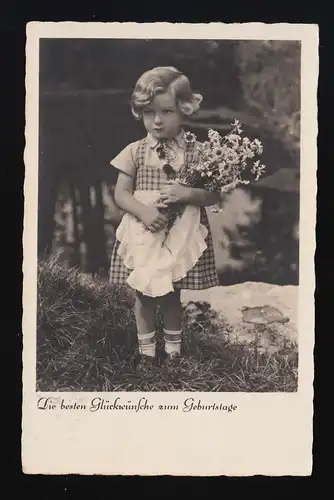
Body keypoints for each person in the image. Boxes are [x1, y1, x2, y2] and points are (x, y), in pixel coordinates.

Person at [109, 66, 219, 368]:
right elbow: (120, 195)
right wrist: (144, 211)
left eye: (167, 111)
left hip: (180, 231)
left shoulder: (198, 153)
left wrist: (187, 194)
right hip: (144, 231)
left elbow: (213, 195)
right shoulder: (135, 151)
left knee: (172, 293)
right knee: (144, 293)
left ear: (184, 109)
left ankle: (173, 353)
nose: (157, 120)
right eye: (148, 112)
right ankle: (146, 354)